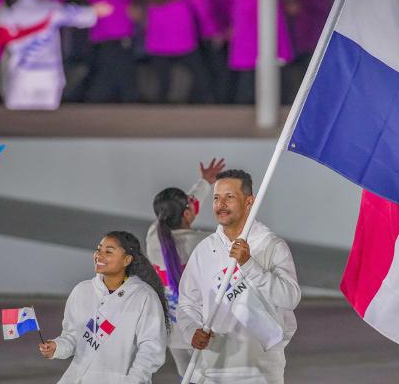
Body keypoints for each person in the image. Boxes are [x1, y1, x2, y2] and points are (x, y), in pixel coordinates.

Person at [177, 169, 300, 383]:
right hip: (209, 371)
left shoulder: (271, 245)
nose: (220, 204)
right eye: (216, 198)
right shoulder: (204, 250)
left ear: (249, 202)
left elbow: (290, 297)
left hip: (259, 372)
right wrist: (191, 330)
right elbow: (187, 304)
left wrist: (249, 265)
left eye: (229, 197)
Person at [39, 231, 167, 383]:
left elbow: (151, 349)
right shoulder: (82, 291)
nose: (99, 255)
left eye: (108, 252)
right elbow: (72, 336)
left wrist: (133, 380)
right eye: (98, 249)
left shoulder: (144, 296)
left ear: (127, 260)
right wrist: (57, 347)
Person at [145, 157, 225, 376]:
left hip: (172, 330)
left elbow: (187, 206)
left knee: (186, 376)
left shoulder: (154, 236)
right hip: (202, 328)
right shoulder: (201, 244)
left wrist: (204, 182)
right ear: (187, 213)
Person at [0, 0, 113, 110]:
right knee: (47, 128)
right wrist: (96, 10)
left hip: (20, 76)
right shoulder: (49, 9)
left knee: (17, 127)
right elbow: (76, 15)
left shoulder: (3, 12)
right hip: (49, 76)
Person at [143, 0, 220, 103]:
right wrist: (212, 31)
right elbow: (201, 4)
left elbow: (141, 2)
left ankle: (158, 120)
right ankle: (205, 111)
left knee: (163, 86)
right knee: (203, 80)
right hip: (184, 38)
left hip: (157, 40)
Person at [84, 0, 140, 103]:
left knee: (111, 79)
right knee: (117, 80)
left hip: (122, 28)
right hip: (111, 29)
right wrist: (126, 8)